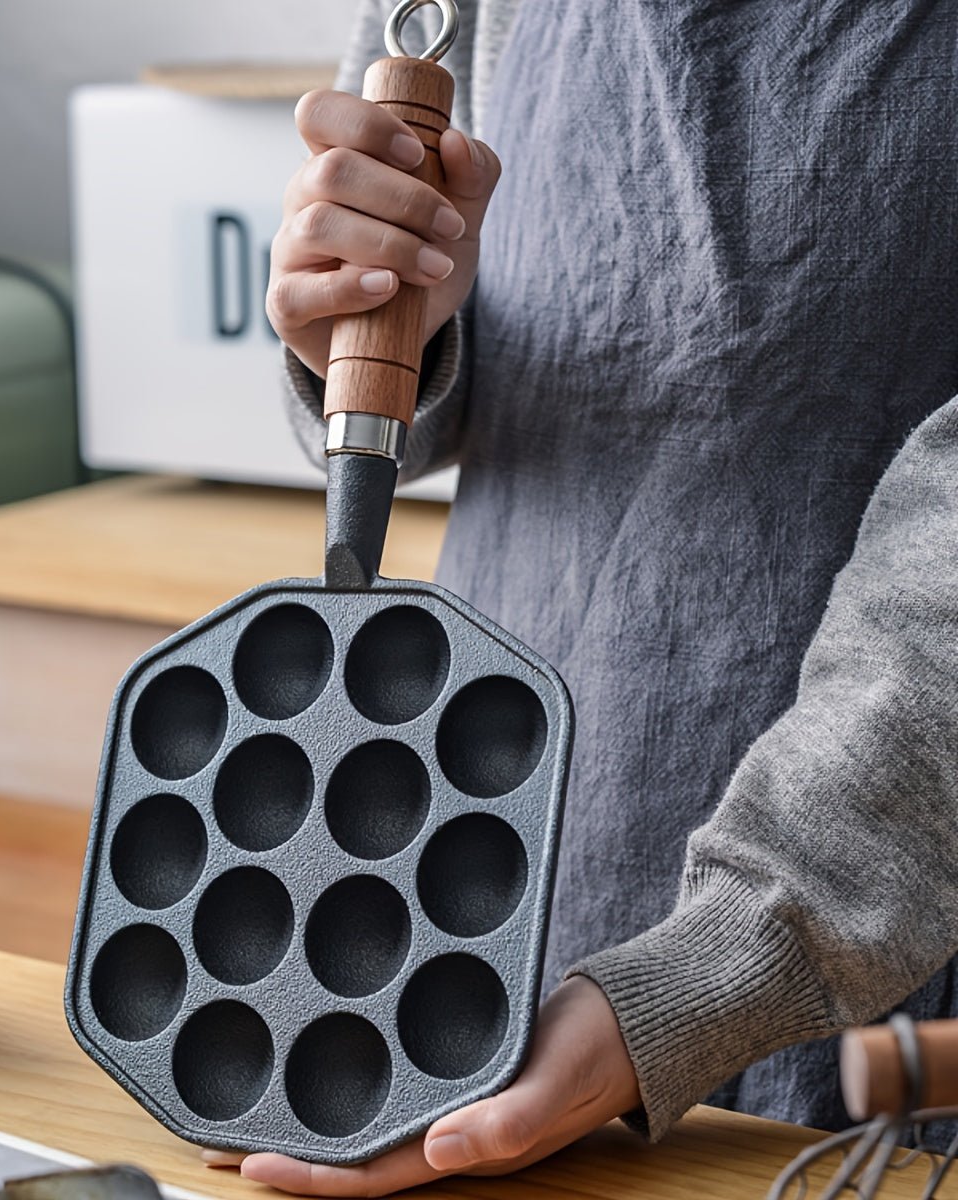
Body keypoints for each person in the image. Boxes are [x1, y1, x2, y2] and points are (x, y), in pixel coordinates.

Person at [205, 0, 958, 1193]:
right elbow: (482, 326)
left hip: (891, 915)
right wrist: (371, 320)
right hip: (501, 849)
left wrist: (701, 979)